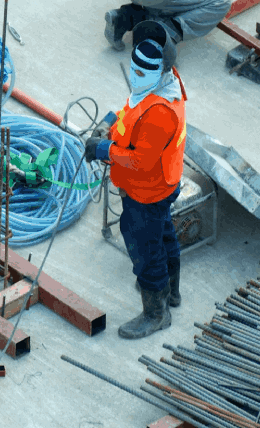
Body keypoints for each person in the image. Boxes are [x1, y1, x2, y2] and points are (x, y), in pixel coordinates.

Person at [85, 22, 187, 339]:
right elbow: (133, 110)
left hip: (147, 191)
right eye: (134, 68)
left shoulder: (160, 112)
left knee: (145, 251)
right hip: (163, 184)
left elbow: (141, 161)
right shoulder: (163, 85)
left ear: (161, 68)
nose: (136, 75)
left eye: (143, 71)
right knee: (163, 235)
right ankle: (171, 292)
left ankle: (156, 314)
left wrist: (105, 149)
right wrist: (111, 122)